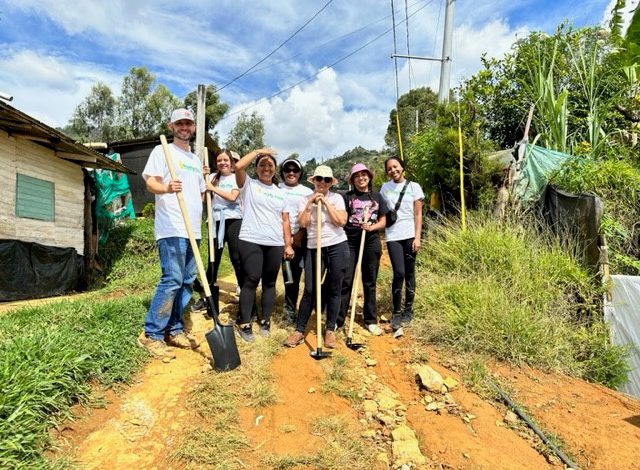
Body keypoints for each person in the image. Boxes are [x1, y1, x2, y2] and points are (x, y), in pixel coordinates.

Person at [138, 108, 205, 358]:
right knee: (172, 279)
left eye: (188, 123)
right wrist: (166, 187)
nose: (184, 127)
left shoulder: (195, 160)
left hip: (193, 229)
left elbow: (200, 192)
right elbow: (150, 182)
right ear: (171, 126)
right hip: (172, 227)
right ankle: (152, 334)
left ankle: (174, 329)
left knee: (186, 281)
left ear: (194, 127)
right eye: (180, 123)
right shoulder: (162, 150)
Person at [285, 165, 349, 349]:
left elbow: (341, 221)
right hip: (314, 247)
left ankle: (330, 330)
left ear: (331, 183)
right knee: (310, 289)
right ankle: (299, 330)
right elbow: (303, 223)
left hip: (337, 245)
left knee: (335, 288)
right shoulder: (304, 199)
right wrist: (310, 204)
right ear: (313, 181)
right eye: (319, 179)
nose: (322, 182)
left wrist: (326, 203)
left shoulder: (337, 198)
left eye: (327, 180)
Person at [235, 149, 294, 342]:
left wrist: (288, 244)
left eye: (270, 165)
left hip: (274, 242)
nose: (266, 168)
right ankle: (245, 324)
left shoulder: (280, 193)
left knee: (269, 283)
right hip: (251, 239)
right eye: (262, 165)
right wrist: (259, 152)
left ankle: (265, 321)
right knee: (251, 280)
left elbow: (285, 220)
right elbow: (238, 166)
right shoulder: (249, 185)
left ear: (275, 169)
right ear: (256, 168)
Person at [337, 163, 388, 335]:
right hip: (350, 241)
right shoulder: (347, 197)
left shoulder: (377, 197)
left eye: (363, 175)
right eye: (357, 176)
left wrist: (372, 227)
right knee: (346, 280)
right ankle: (338, 320)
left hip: (371, 241)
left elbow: (383, 220)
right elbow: (342, 218)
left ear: (369, 177)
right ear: (352, 180)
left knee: (369, 281)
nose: (361, 178)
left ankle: (370, 320)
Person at [192, 149, 243, 313]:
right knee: (213, 260)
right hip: (214, 221)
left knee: (237, 258)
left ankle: (245, 296)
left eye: (226, 160)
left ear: (232, 162)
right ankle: (207, 298)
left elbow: (233, 197)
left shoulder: (237, 177)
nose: (222, 163)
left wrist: (212, 188)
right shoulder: (212, 177)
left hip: (233, 220)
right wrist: (203, 179)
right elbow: (203, 199)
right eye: (219, 160)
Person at [380, 156, 424, 332]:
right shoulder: (385, 188)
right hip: (393, 236)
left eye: (395, 166)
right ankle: (396, 312)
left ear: (402, 167)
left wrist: (417, 237)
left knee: (410, 273)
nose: (393, 170)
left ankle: (408, 310)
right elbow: (381, 210)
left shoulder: (414, 187)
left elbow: (418, 214)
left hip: (410, 235)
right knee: (399, 273)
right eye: (389, 168)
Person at [279, 157, 313, 324]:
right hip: (280, 239)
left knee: (302, 275)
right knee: (289, 276)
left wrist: (300, 234)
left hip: (302, 239)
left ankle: (301, 308)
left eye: (295, 170)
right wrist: (286, 240)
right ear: (282, 172)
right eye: (287, 170)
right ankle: (289, 309)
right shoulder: (277, 188)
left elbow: (310, 215)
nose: (291, 173)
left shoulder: (307, 192)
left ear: (300, 173)